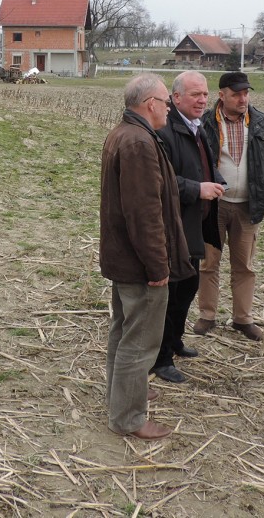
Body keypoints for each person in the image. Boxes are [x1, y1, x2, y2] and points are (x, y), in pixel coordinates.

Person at [99, 73, 192, 440]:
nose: (169, 108)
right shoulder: (138, 142)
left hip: (124, 258)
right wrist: (158, 266)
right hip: (139, 264)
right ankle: (128, 417)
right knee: (139, 341)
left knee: (123, 332)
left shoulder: (125, 133)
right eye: (166, 102)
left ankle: (122, 395)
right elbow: (143, 213)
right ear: (150, 104)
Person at [151, 72, 226, 383]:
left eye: (205, 94)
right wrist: (198, 189)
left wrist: (217, 181)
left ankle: (175, 341)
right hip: (174, 227)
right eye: (196, 94)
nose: (203, 100)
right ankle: (160, 358)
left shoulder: (197, 127)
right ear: (176, 97)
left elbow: (204, 165)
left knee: (189, 287)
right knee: (171, 294)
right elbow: (162, 181)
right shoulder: (165, 131)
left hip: (194, 225)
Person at [193, 71, 264, 341]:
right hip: (214, 208)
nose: (243, 99)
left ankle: (243, 319)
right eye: (236, 94)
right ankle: (207, 315)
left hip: (247, 209)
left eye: (246, 93)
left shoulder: (261, 123)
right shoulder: (205, 122)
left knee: (244, 266)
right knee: (208, 264)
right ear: (222, 95)